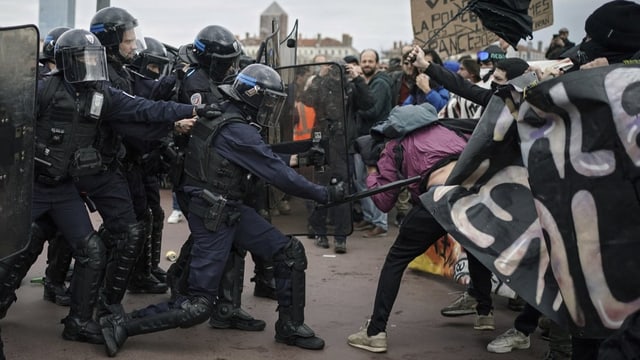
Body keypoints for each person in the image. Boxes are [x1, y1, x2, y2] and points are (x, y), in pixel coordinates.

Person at [99, 63, 346, 356]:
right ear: (253, 97)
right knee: (197, 305)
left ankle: (290, 327)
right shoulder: (237, 129)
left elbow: (261, 155)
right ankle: (122, 323)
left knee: (289, 252)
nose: (269, 108)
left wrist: (301, 152)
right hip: (216, 216)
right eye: (267, 101)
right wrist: (324, 194)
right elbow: (276, 173)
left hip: (226, 209)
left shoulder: (226, 115)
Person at [0, 28, 198, 344]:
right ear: (66, 61)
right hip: (33, 188)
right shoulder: (42, 90)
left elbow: (145, 108)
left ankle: (78, 323)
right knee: (7, 250)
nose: (89, 65)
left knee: (91, 250)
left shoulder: (102, 94)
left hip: (64, 189)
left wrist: (189, 110)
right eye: (82, 59)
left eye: (94, 58)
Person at [86, 6, 168, 303]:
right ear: (109, 42)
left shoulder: (119, 70)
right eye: (128, 41)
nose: (134, 46)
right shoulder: (104, 76)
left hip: (121, 160)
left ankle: (122, 282)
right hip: (108, 164)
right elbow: (131, 119)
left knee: (136, 223)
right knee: (123, 231)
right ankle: (98, 296)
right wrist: (168, 126)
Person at [352, 49, 393, 238]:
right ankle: (370, 218)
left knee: (374, 180)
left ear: (377, 63)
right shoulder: (366, 82)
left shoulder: (381, 83)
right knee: (360, 180)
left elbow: (372, 110)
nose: (367, 64)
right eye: (364, 61)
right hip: (363, 137)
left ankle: (380, 223)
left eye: (370, 61)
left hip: (375, 138)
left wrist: (352, 110)